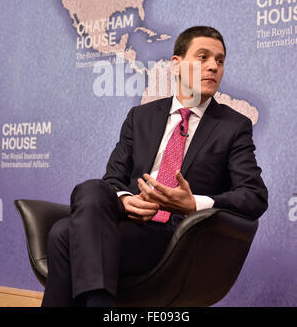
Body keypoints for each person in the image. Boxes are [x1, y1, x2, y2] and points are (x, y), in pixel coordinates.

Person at [41, 26, 268, 307]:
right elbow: (112, 180)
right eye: (203, 57)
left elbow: (254, 195)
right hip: (129, 222)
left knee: (63, 234)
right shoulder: (141, 117)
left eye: (219, 61)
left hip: (174, 238)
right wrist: (125, 202)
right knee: (90, 189)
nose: (213, 67)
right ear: (176, 64)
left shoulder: (233, 126)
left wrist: (193, 203)